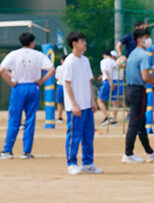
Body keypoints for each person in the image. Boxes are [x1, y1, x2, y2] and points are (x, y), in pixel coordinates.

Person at [1, 31, 53, 159]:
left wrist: (11, 82)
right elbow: (52, 69)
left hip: (18, 87)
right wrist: (41, 80)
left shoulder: (14, 54)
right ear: (32, 42)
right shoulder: (38, 55)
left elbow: (2, 69)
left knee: (14, 119)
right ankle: (26, 152)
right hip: (33, 86)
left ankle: (7, 150)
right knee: (30, 119)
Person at [59, 32, 100, 175]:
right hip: (75, 107)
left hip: (87, 105)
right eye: (82, 41)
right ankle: (71, 163)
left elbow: (89, 81)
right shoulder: (70, 61)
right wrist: (74, 104)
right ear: (74, 44)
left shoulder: (85, 60)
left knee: (88, 135)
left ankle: (88, 163)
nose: (85, 44)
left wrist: (92, 101)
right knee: (74, 135)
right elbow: (67, 84)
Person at [121, 28, 154, 163]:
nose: (149, 40)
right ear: (139, 40)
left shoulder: (133, 53)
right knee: (135, 123)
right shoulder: (144, 55)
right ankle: (128, 153)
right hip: (138, 91)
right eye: (146, 37)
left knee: (140, 122)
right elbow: (145, 77)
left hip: (130, 90)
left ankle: (149, 151)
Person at [97, 48, 120, 127]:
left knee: (100, 100)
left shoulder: (103, 61)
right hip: (116, 81)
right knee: (114, 101)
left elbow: (106, 71)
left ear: (104, 55)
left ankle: (106, 117)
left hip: (108, 81)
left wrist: (110, 82)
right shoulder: (114, 62)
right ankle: (114, 119)